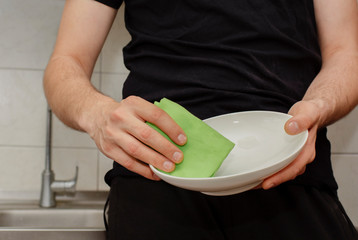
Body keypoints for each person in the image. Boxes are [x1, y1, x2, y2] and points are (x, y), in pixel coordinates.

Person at [43, 0, 358, 239]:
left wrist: (319, 104)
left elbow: (346, 53)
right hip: (156, 173)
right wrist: (97, 114)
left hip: (291, 169)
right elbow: (65, 62)